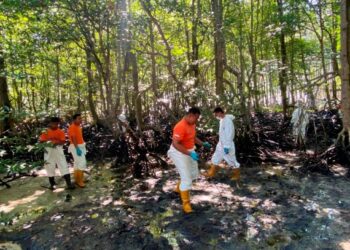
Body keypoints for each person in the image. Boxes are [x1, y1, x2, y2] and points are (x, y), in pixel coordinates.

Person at [167, 107, 211, 213]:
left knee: (192, 173)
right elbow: (175, 144)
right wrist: (190, 153)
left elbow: (192, 137)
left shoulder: (192, 124)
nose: (197, 120)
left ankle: (178, 189)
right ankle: (186, 205)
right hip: (178, 153)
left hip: (190, 150)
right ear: (190, 115)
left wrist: (202, 143)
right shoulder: (180, 126)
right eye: (196, 118)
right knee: (186, 178)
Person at [203, 107, 241, 185]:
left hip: (228, 144)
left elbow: (229, 134)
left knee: (231, 160)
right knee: (216, 157)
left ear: (220, 112)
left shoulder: (228, 121)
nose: (216, 116)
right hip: (221, 144)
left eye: (216, 114)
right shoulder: (222, 120)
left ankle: (236, 175)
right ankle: (211, 173)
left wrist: (227, 146)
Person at [39, 117, 75, 190]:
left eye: (57, 124)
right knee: (49, 166)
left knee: (63, 165)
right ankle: (52, 184)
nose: (56, 125)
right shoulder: (45, 131)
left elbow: (63, 141)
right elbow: (41, 141)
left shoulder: (60, 131)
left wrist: (54, 142)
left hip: (58, 150)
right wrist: (50, 142)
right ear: (50, 123)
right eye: (54, 124)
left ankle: (69, 184)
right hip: (48, 150)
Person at [68, 114, 87, 188]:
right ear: (74, 120)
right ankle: (80, 181)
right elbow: (73, 138)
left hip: (80, 146)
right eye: (79, 118)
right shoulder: (72, 127)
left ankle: (77, 179)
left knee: (77, 163)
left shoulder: (78, 126)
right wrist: (77, 148)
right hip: (76, 147)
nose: (80, 120)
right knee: (82, 162)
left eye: (81, 118)